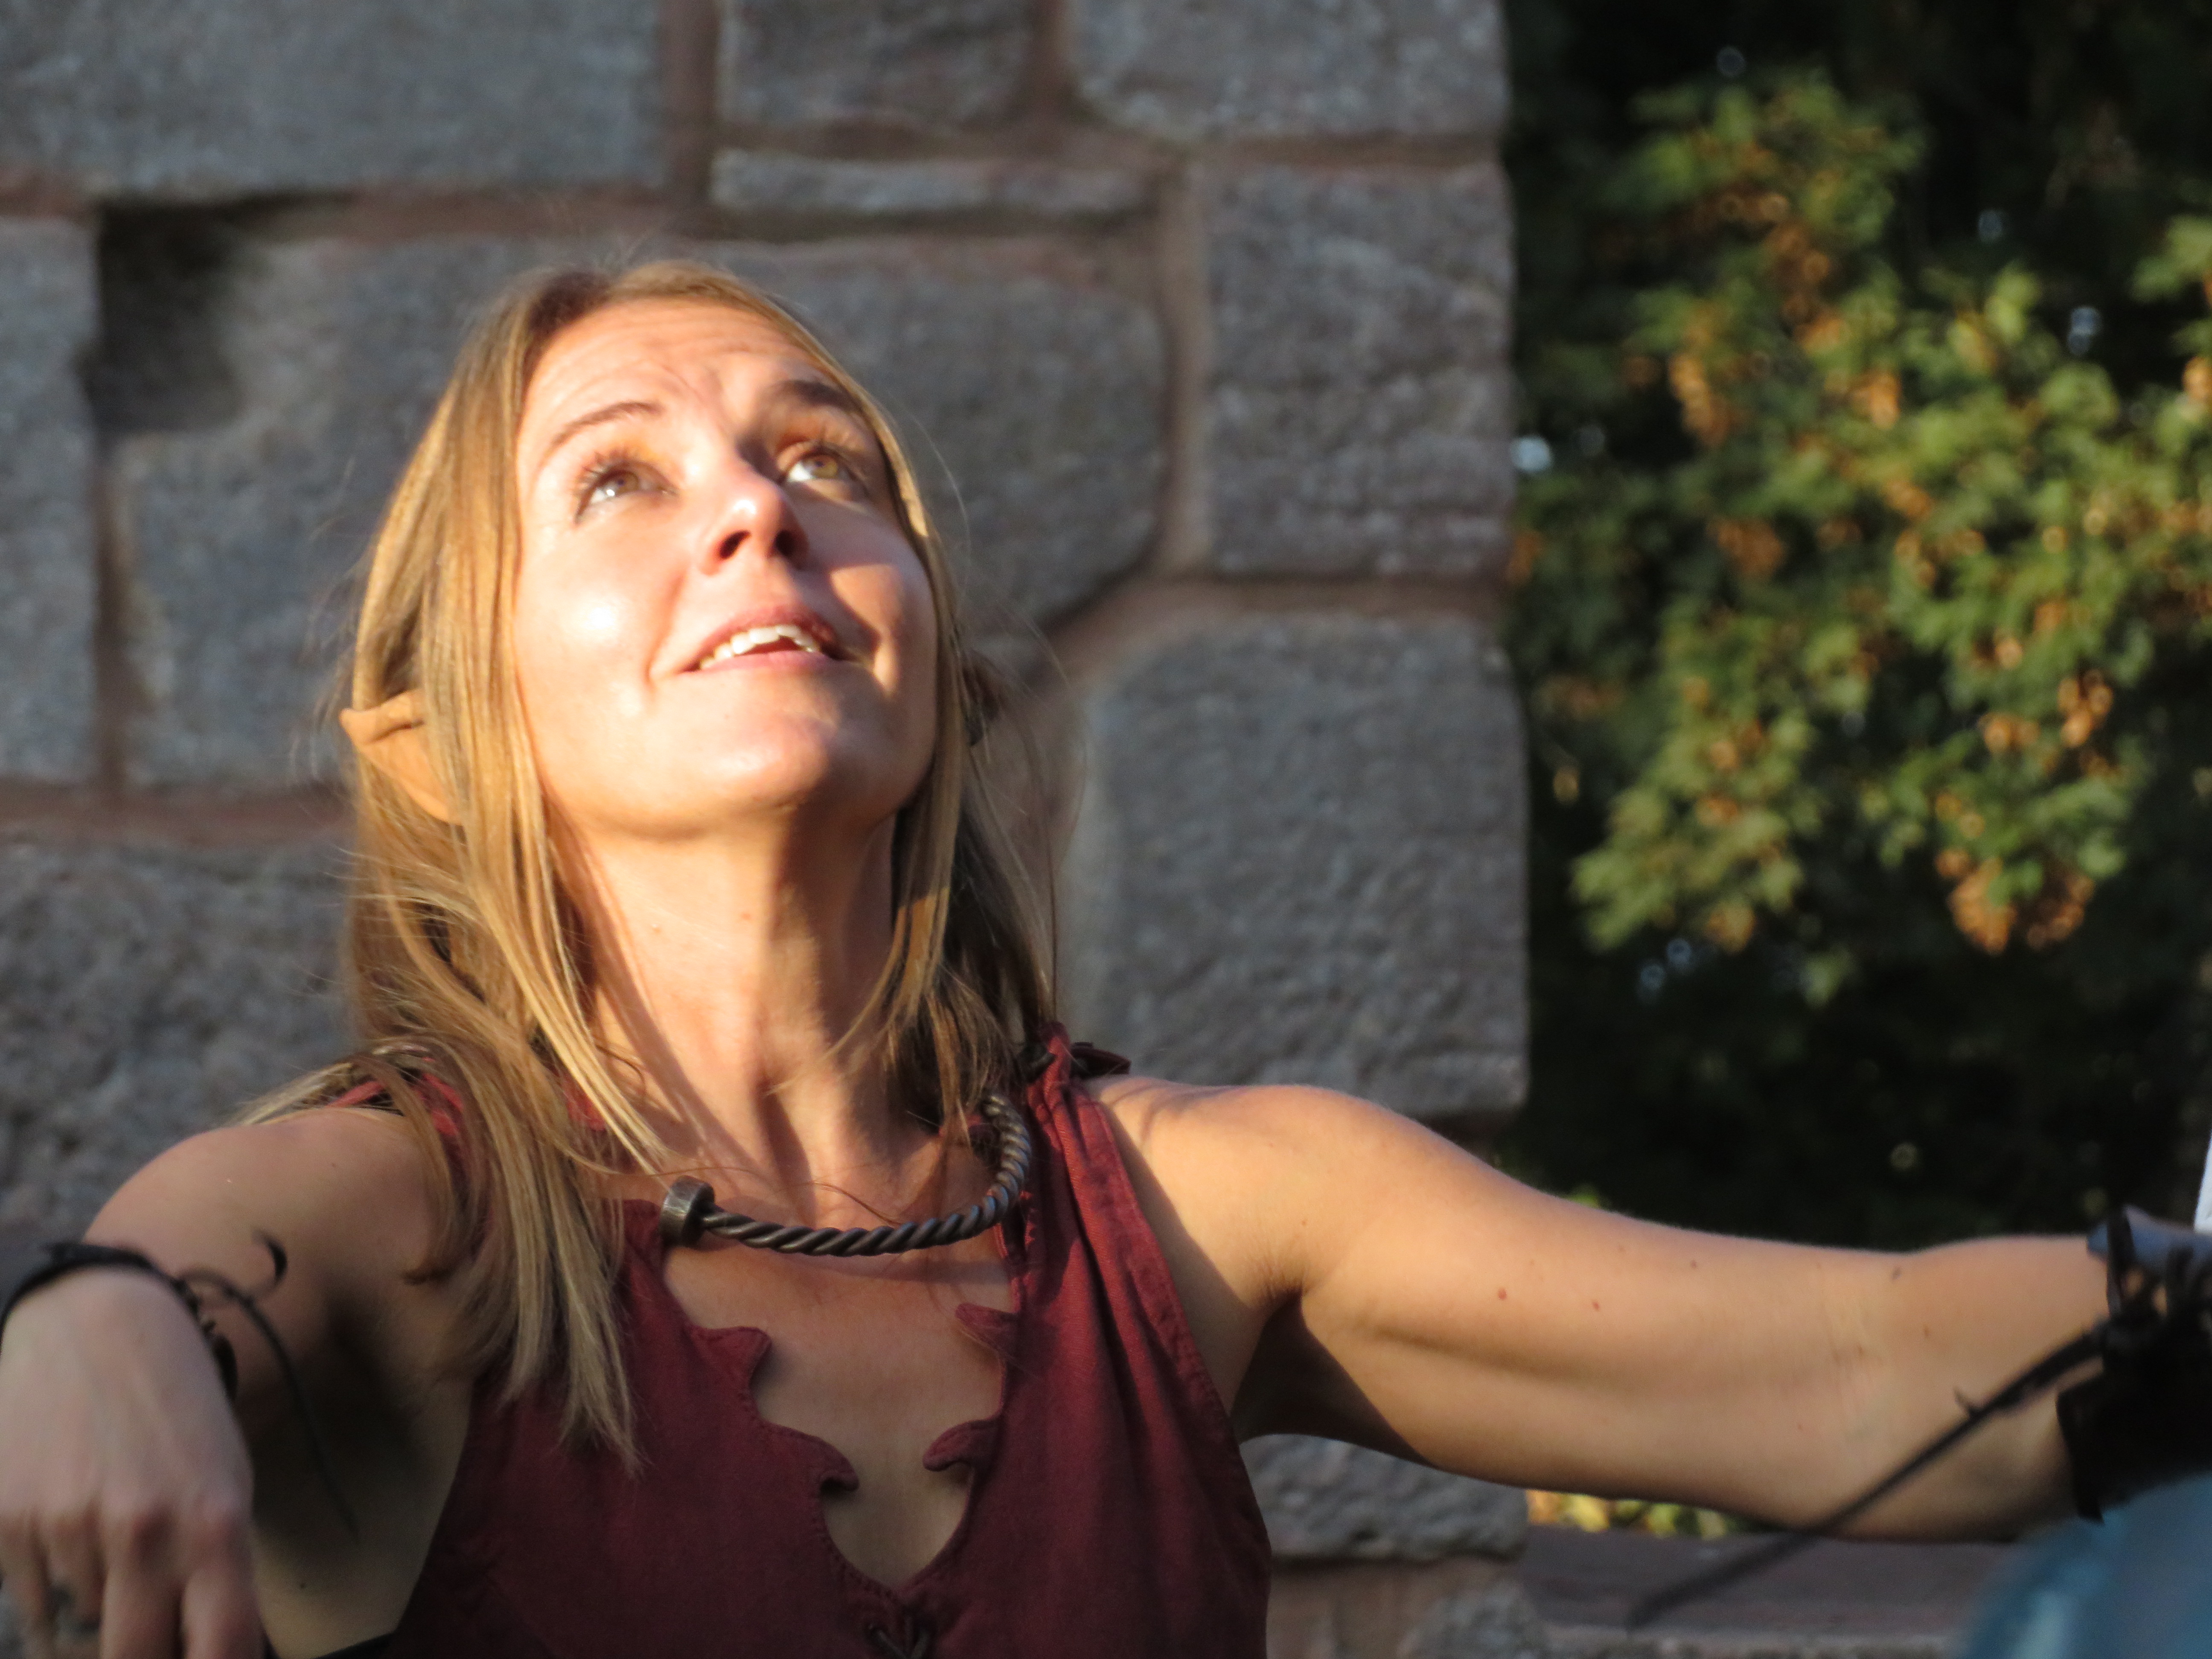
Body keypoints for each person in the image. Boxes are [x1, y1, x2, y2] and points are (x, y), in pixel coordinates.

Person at [0, 260, 2158, 1659]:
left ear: (930, 657)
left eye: (823, 459)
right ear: (436, 740)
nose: (759, 509)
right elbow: (152, 1282)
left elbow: (1870, 1364)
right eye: (620, 483)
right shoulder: (397, 1221)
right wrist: (84, 1330)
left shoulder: (1211, 1213)